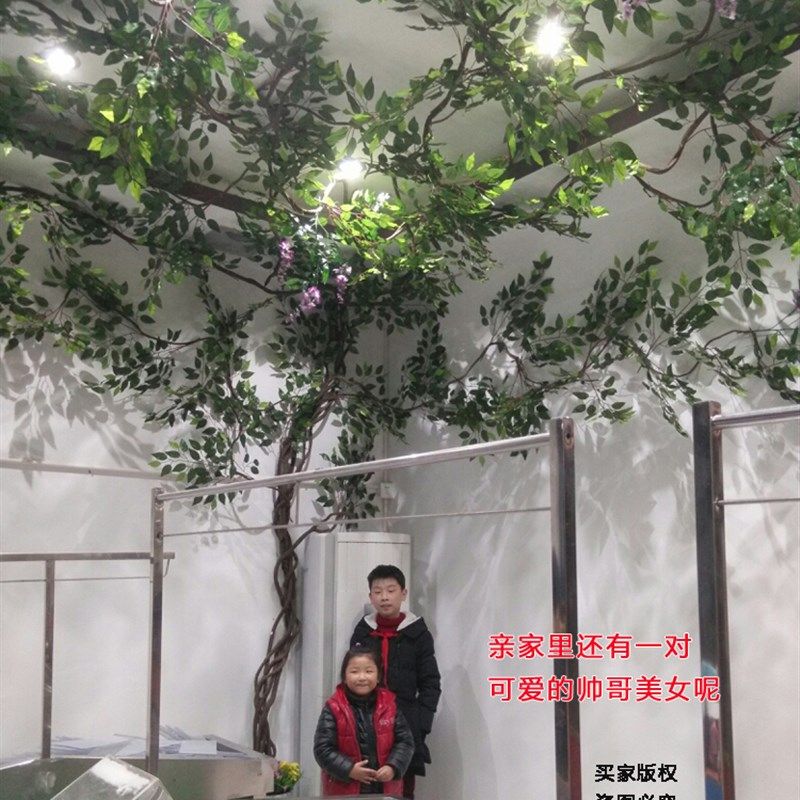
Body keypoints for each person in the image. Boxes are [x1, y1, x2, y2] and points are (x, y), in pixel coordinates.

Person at [350, 565, 441, 800]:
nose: (384, 597)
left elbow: (431, 683)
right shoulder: (362, 632)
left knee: (402, 788)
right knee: (365, 787)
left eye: (391, 590)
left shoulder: (418, 633)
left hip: (405, 724)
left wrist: (420, 724)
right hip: (365, 723)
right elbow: (351, 677)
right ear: (370, 596)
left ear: (403, 593)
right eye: (378, 591)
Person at [314, 645, 415, 796]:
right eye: (354, 671)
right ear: (344, 676)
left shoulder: (390, 705)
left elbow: (405, 742)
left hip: (386, 789)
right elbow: (322, 749)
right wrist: (349, 769)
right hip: (344, 791)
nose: (362, 677)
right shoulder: (333, 708)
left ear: (378, 676)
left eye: (369, 671)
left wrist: (393, 767)